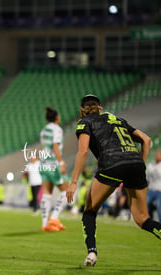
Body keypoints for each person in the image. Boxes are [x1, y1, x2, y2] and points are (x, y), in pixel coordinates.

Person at [67, 94, 161, 267]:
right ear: (100, 107)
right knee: (142, 219)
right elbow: (146, 140)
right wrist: (141, 164)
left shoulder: (85, 122)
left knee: (89, 210)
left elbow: (83, 151)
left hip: (112, 164)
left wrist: (73, 182)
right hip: (136, 164)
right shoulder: (117, 119)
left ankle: (92, 254)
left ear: (82, 110)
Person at [39, 107, 68, 232]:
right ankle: (54, 218)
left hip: (43, 163)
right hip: (52, 163)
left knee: (46, 193)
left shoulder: (44, 130)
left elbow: (44, 146)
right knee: (67, 191)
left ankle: (45, 224)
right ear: (57, 117)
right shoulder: (57, 129)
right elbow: (55, 146)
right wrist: (61, 162)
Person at [147, 151, 161, 221]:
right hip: (150, 189)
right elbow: (147, 178)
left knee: (159, 206)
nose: (157, 156)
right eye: (157, 155)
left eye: (159, 155)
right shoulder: (150, 165)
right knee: (145, 203)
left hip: (159, 190)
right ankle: (146, 220)